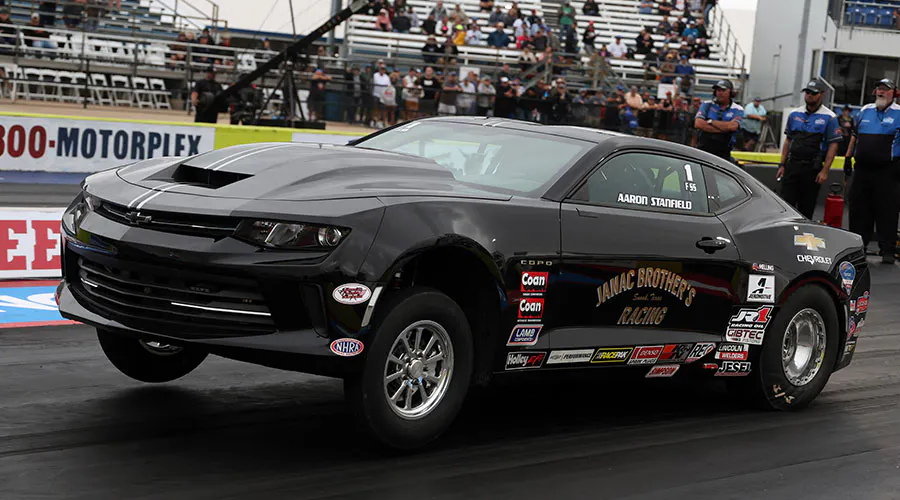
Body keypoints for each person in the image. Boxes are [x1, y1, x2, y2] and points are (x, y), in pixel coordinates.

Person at [844, 78, 900, 264]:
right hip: (862, 169)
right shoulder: (865, 110)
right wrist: (847, 157)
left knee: (887, 210)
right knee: (859, 209)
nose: (880, 92)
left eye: (885, 89)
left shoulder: (899, 113)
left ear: (894, 93)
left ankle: (887, 250)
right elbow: (854, 135)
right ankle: (858, 247)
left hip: (887, 170)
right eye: (878, 88)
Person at [775, 80, 842, 220]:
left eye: (814, 93)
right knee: (786, 204)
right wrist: (782, 164)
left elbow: (833, 146)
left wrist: (825, 171)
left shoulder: (830, 117)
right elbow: (788, 140)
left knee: (807, 207)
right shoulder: (794, 114)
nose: (809, 96)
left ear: (822, 95)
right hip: (792, 166)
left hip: (812, 168)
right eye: (807, 92)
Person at [693, 79, 743, 161]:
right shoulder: (707, 104)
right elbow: (698, 124)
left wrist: (710, 122)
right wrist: (724, 128)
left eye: (723, 90)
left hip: (724, 153)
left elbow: (733, 126)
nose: (719, 93)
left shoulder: (737, 108)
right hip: (703, 150)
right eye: (718, 90)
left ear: (730, 92)